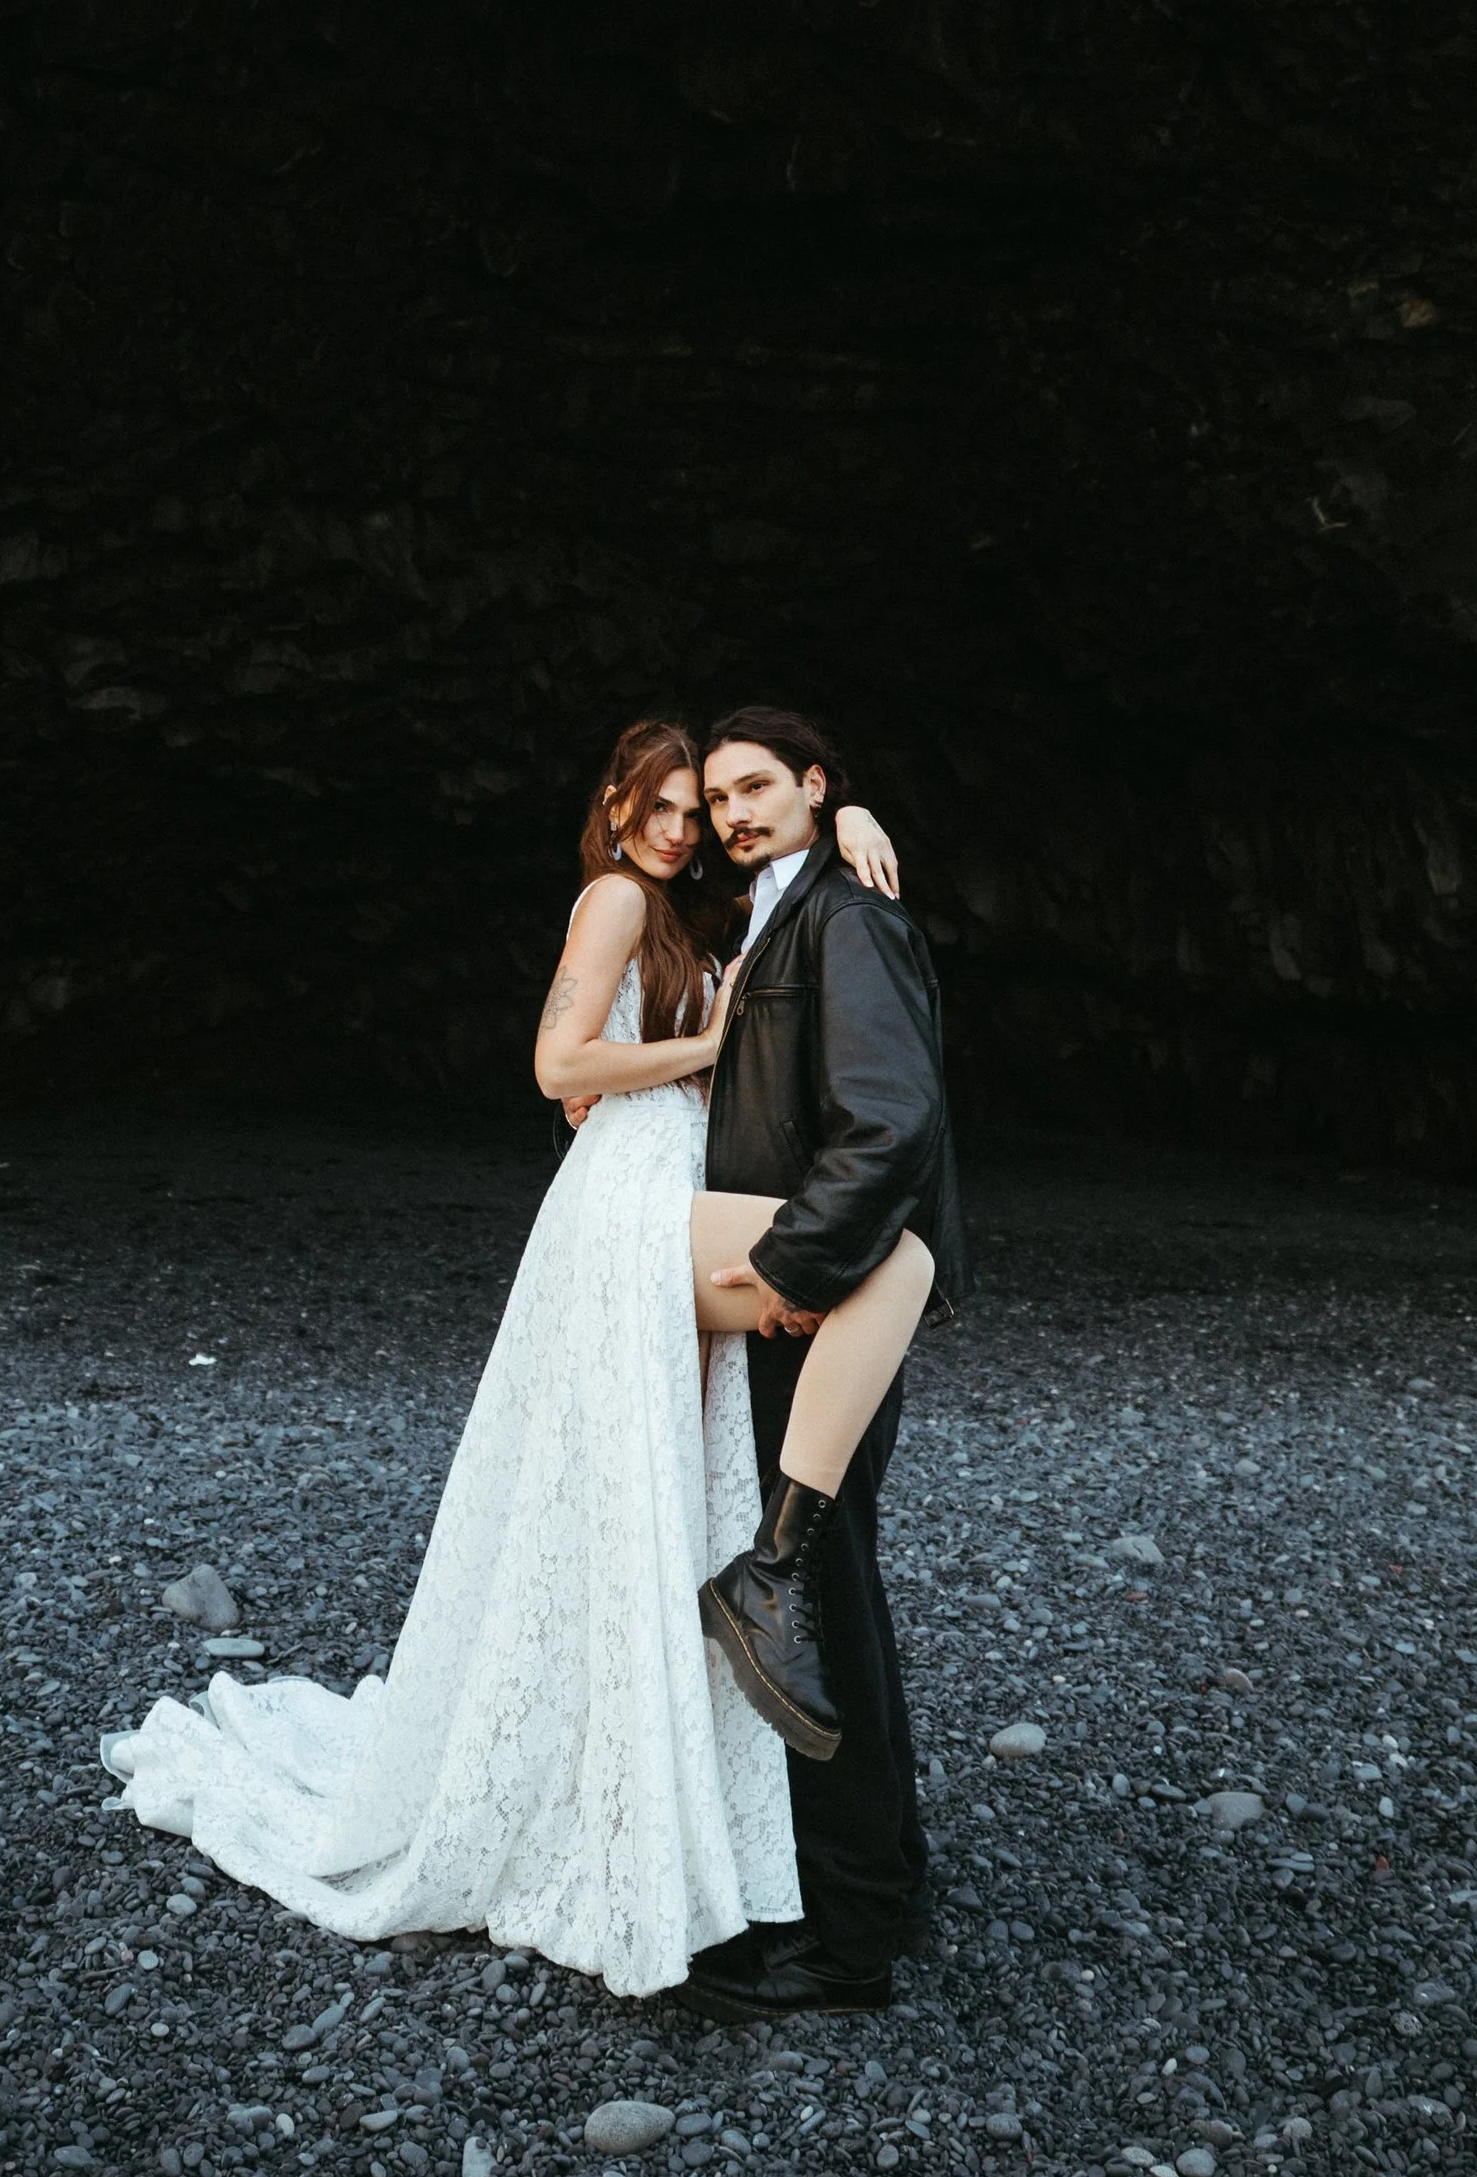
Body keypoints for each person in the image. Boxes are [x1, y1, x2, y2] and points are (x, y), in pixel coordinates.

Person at [98, 717, 916, 2000]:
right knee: (890, 1266)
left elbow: (795, 877)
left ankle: (744, 1715)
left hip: (671, 1183)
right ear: (609, 805)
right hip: (625, 1200)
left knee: (663, 1490)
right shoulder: (609, 901)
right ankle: (772, 1582)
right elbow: (556, 1064)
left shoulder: (709, 909)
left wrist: (859, 820)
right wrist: (711, 1049)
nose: (680, 828)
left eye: (697, 810)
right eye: (659, 805)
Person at [674, 705, 966, 2024]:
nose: (734, 812)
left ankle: (848, 1941)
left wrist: (796, 1261)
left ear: (816, 782)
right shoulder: (782, 910)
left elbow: (890, 1117)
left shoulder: (850, 917)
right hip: (801, 1289)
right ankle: (882, 1881)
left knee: (819, 1601)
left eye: (758, 786)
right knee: (833, 1579)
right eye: (718, 795)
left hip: (822, 1295)